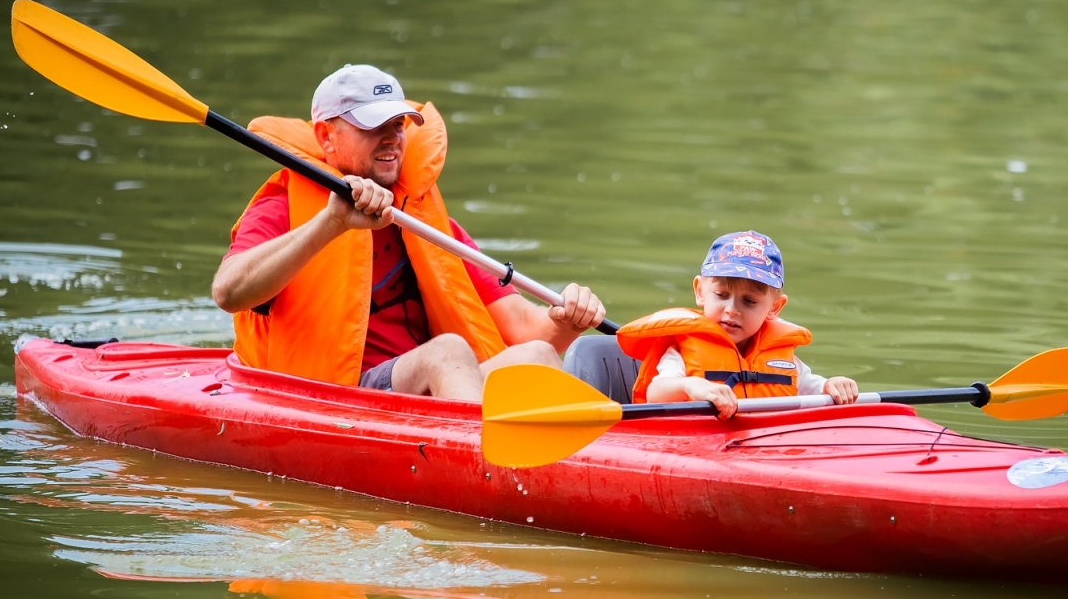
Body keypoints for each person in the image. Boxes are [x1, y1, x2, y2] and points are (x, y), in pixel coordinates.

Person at [212, 63, 604, 399]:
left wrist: (565, 320)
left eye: (397, 125)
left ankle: (555, 468)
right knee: (447, 351)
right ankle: (487, 468)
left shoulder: (425, 221)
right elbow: (228, 292)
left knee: (536, 356)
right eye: (373, 126)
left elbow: (523, 328)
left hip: (432, 394)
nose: (391, 139)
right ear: (325, 137)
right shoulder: (283, 208)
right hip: (336, 395)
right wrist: (330, 223)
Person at [615, 230, 858, 418]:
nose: (732, 309)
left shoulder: (783, 359)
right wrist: (691, 386)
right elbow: (655, 394)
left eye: (749, 301)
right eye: (721, 295)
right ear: (700, 291)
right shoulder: (682, 351)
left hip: (763, 447)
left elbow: (814, 388)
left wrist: (832, 385)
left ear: (774, 308)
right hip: (698, 445)